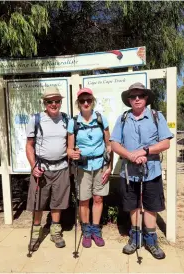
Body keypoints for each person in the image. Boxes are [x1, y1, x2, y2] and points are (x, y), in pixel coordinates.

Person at [110, 82, 173, 259]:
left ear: (146, 98)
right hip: (129, 172)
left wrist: (145, 151)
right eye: (133, 96)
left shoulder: (156, 116)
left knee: (151, 207)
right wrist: (131, 156)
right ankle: (135, 238)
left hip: (151, 170)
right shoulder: (122, 118)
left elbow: (166, 142)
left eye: (140, 95)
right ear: (129, 100)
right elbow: (114, 143)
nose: (136, 99)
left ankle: (151, 241)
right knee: (133, 206)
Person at [25, 86, 70, 250]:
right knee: (38, 203)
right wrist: (33, 167)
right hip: (41, 168)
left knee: (58, 202)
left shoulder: (66, 119)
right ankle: (36, 233)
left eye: (57, 101)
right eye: (50, 101)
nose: (54, 104)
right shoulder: (36, 119)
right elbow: (29, 146)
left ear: (60, 102)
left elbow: (71, 142)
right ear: (45, 103)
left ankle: (55, 231)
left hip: (62, 167)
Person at [67, 87, 113, 248]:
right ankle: (86, 231)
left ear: (92, 101)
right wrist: (72, 154)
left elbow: (109, 146)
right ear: (78, 103)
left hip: (100, 165)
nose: (85, 103)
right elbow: (69, 148)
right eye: (82, 100)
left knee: (98, 198)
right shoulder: (73, 123)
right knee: (84, 200)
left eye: (88, 100)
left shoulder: (101, 120)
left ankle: (95, 230)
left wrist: (109, 167)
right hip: (82, 167)